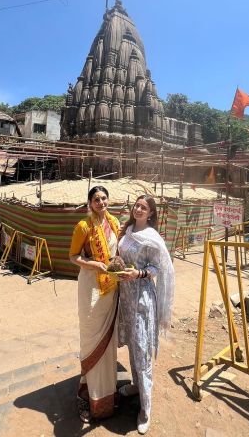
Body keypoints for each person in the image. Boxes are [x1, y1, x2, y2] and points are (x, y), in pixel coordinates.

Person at [117, 195, 175, 435]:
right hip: (126, 297)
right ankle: (135, 385)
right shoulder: (128, 229)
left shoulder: (151, 237)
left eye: (144, 207)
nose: (138, 209)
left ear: (151, 213)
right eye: (137, 205)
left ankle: (146, 408)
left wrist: (137, 274)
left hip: (142, 297)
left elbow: (156, 268)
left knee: (142, 349)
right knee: (132, 345)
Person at [69, 185, 120, 423]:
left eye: (104, 198)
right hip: (91, 286)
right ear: (89, 203)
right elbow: (73, 256)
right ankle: (86, 394)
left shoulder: (115, 223)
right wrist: (94, 264)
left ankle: (107, 393)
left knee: (108, 342)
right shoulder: (83, 226)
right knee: (91, 338)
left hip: (110, 287)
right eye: (96, 199)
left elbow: (116, 252)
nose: (101, 202)